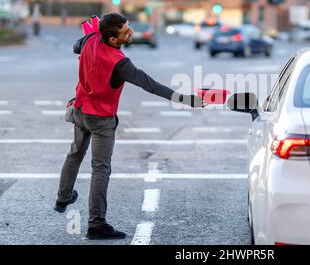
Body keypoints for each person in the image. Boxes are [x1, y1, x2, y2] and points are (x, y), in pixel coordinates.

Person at [54, 13, 203, 240]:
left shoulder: (91, 38)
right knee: (101, 169)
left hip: (80, 110)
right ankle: (96, 224)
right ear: (113, 40)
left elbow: (77, 47)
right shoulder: (119, 63)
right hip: (101, 119)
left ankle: (63, 198)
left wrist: (87, 46)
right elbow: (150, 85)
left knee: (75, 154)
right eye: (126, 32)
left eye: (128, 27)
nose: (131, 32)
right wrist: (185, 99)